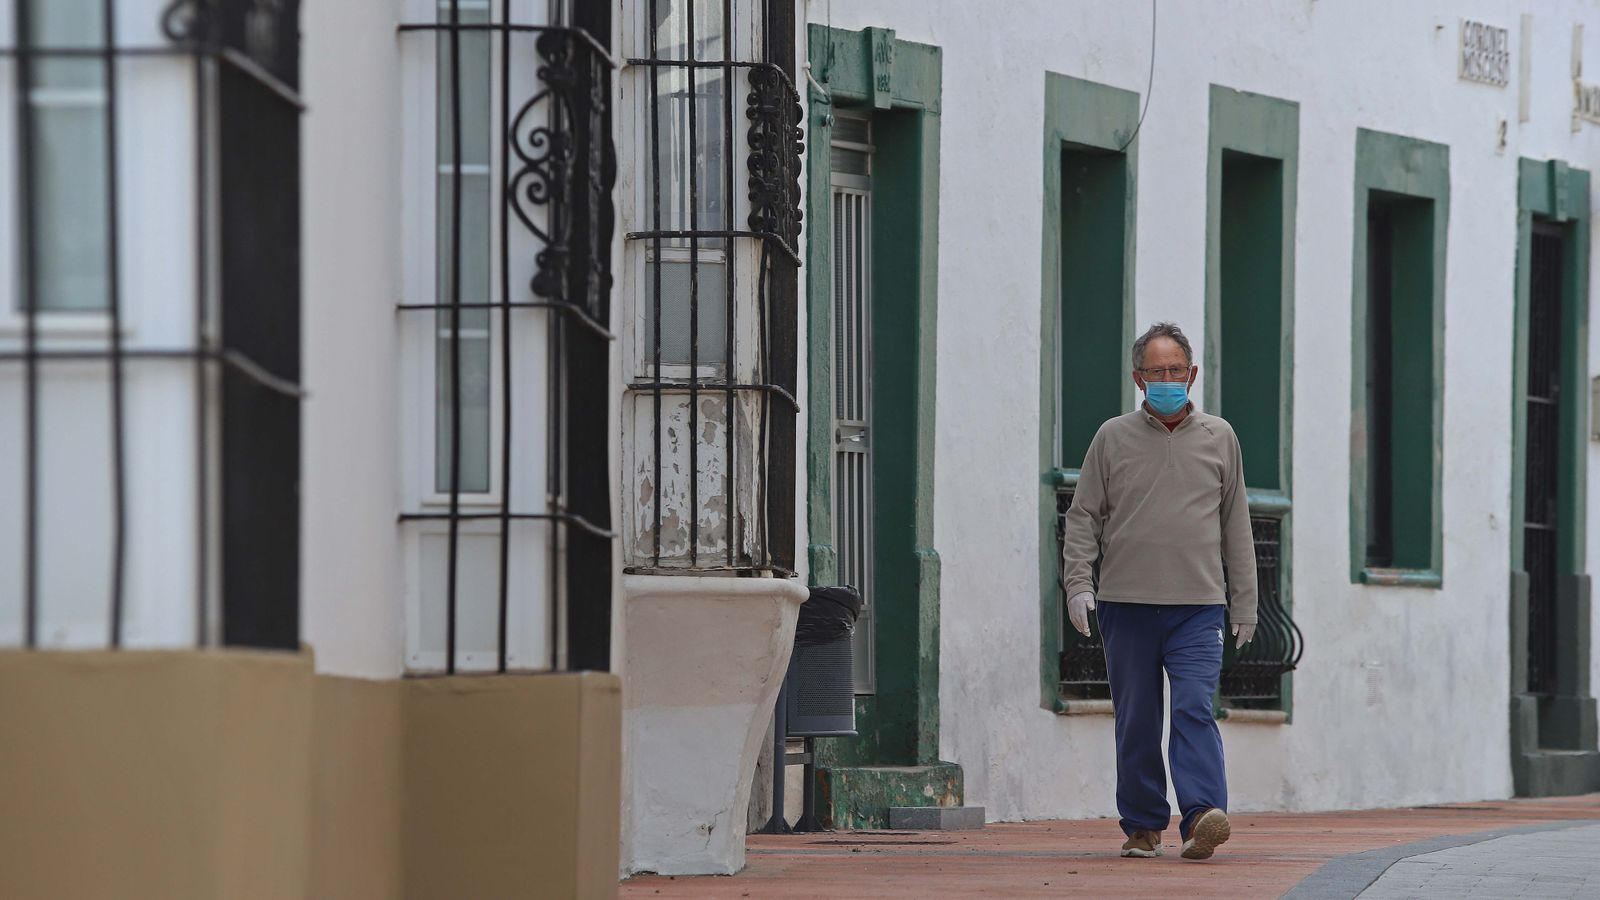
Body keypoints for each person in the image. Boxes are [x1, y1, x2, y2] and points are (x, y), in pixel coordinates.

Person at [1061, 321, 1257, 861]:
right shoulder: (1111, 437)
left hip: (1199, 606)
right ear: (1138, 378)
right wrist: (1078, 583)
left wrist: (1244, 602)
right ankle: (1144, 825)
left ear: (1191, 375)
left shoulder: (1220, 437)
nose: (1166, 379)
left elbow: (1236, 523)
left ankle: (1200, 818)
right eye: (1156, 371)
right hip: (1126, 604)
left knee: (1194, 707)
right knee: (1137, 719)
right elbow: (1083, 516)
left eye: (1175, 370)